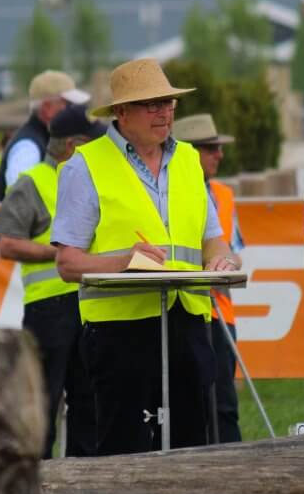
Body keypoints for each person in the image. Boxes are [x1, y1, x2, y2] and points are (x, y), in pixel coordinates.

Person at [52, 58, 240, 456]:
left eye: (169, 102)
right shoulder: (85, 167)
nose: (165, 111)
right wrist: (125, 259)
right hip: (121, 332)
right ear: (122, 112)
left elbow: (213, 239)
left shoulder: (189, 160)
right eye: (153, 103)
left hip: (188, 321)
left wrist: (222, 261)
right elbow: (68, 263)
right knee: (124, 451)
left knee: (194, 447)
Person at [0, 104, 105, 458]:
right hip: (49, 310)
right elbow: (6, 241)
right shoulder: (34, 182)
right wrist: (58, 254)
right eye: (91, 144)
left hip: (88, 306)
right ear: (72, 146)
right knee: (43, 402)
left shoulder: (89, 181)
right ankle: (36, 485)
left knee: (88, 402)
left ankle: (84, 487)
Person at [172, 113, 244, 444]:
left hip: (220, 314)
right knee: (189, 405)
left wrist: (224, 262)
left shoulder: (224, 196)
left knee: (225, 407)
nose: (220, 154)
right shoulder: (169, 193)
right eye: (210, 148)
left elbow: (234, 250)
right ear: (187, 152)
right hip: (183, 309)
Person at [0, 71, 89, 201]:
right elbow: (20, 202)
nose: (74, 111)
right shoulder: (28, 147)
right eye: (68, 104)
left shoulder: (40, 139)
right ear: (47, 108)